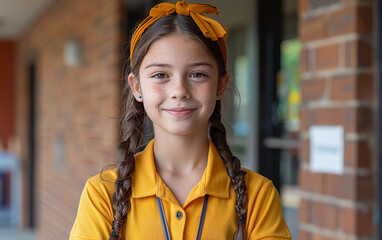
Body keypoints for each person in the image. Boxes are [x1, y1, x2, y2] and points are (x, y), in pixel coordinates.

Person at [69, 1, 291, 240]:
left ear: (221, 85)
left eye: (197, 74)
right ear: (136, 86)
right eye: (160, 75)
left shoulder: (258, 195)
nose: (179, 90)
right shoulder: (102, 194)